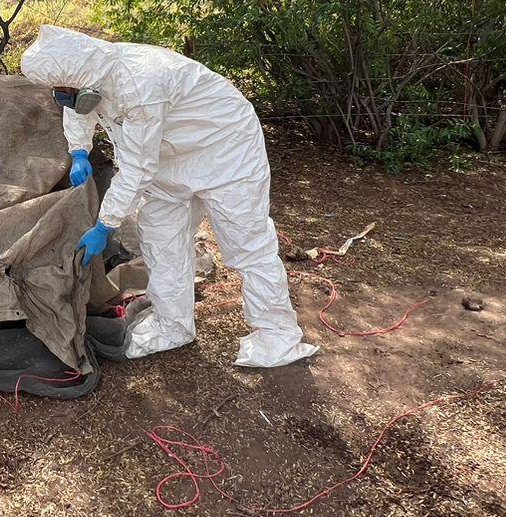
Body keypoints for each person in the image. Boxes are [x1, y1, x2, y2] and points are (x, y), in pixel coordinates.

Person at [21, 25, 316, 368]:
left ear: (84, 79)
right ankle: (173, 325)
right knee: (161, 238)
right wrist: (79, 151)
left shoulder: (139, 83)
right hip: (169, 155)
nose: (63, 96)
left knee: (245, 242)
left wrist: (105, 226)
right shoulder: (86, 78)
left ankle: (276, 334)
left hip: (225, 149)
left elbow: (135, 170)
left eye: (65, 90)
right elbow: (78, 106)